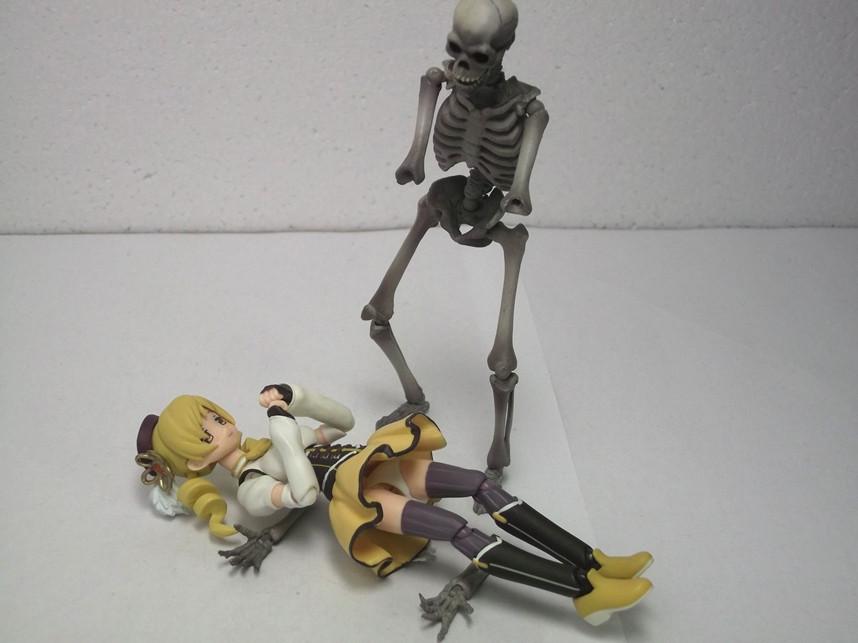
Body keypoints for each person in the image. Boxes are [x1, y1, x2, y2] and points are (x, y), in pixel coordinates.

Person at [135, 384, 653, 629]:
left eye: (214, 416)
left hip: (379, 461)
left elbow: (341, 423)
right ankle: (584, 593)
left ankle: (593, 561)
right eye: (206, 431)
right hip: (362, 496)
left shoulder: (270, 439)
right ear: (197, 460)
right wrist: (287, 435)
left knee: (480, 484)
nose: (221, 425)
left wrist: (298, 398)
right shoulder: (251, 484)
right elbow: (304, 494)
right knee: (458, 531)